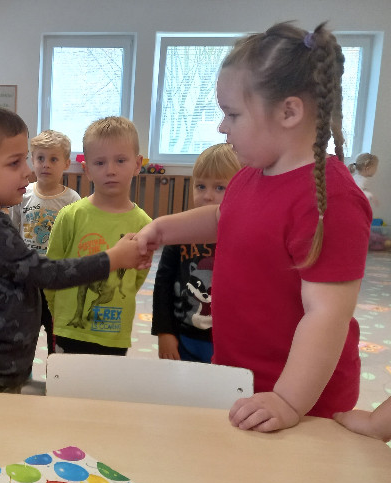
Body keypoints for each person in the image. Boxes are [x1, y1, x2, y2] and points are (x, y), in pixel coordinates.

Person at [134, 22, 372, 432]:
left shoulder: (329, 200)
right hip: (238, 377)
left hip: (301, 400)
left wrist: (288, 400)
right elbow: (223, 218)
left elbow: (326, 315)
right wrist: (162, 229)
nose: (221, 127)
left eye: (233, 114)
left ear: (289, 112)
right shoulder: (251, 174)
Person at [0, 104, 149, 393]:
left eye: (25, 160)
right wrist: (112, 259)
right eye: (15, 163)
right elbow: (46, 273)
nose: (28, 172)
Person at [45, 117, 152, 357]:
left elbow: (136, 277)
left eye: (120, 160)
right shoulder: (70, 216)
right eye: (100, 162)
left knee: (107, 382)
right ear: (87, 170)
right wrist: (58, 312)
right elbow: (51, 270)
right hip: (69, 329)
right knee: (65, 380)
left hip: (114, 332)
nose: (110, 170)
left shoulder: (144, 225)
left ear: (137, 164)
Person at [151, 143, 241, 363]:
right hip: (184, 336)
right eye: (200, 186)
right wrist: (165, 332)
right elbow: (163, 284)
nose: (207, 196)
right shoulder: (181, 232)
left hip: (230, 341)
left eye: (219, 188)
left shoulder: (245, 236)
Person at [9, 129, 79, 354]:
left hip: (55, 280)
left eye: (53, 159)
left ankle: (55, 371)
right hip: (27, 279)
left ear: (66, 163)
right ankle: (23, 370)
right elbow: (13, 232)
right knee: (23, 336)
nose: (45, 164)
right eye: (40, 158)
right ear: (32, 160)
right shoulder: (23, 194)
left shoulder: (72, 200)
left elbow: (74, 241)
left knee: (55, 336)